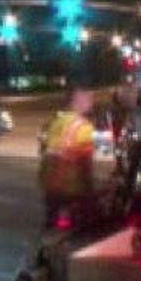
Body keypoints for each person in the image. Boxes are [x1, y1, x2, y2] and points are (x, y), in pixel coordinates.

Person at [39, 88, 96, 229]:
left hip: (49, 180)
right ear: (77, 103)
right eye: (88, 101)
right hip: (70, 184)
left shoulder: (56, 121)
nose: (91, 104)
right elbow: (85, 163)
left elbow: (44, 146)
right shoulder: (84, 127)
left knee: (51, 220)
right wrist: (90, 188)